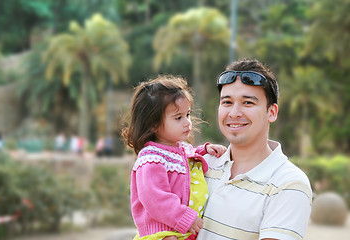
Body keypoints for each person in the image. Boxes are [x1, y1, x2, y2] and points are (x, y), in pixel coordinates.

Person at [196, 59, 312, 240]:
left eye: (248, 103)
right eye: (227, 102)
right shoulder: (202, 164)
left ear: (272, 112)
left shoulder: (289, 184)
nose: (234, 113)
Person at [122, 75, 226, 240]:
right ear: (153, 124)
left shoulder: (179, 149)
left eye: (188, 114)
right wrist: (183, 217)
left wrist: (204, 150)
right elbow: (154, 197)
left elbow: (187, 159)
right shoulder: (151, 159)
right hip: (163, 232)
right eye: (178, 117)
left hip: (181, 229)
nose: (187, 122)